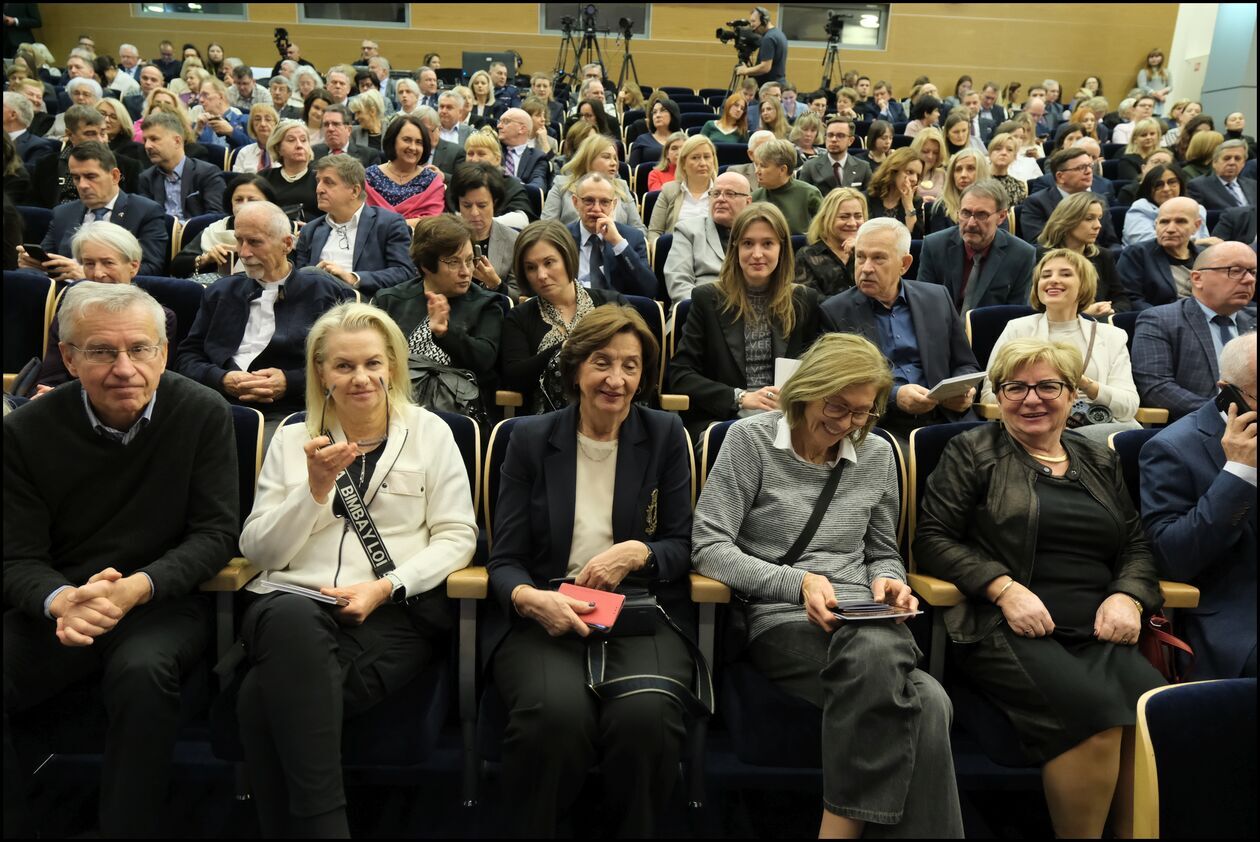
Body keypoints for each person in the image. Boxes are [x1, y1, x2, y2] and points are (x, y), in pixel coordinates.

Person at [692, 332, 964, 838]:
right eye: (837, 408)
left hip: (865, 615)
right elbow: (710, 547)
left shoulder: (878, 454)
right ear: (806, 390)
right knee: (922, 696)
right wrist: (800, 584)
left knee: (928, 703)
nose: (848, 424)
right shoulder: (750, 439)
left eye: (863, 412)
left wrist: (889, 584)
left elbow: (883, 552)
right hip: (784, 619)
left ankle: (837, 825)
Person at [4, 282, 238, 838]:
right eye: (102, 352)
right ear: (69, 357)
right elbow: (16, 555)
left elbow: (215, 534)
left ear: (163, 352)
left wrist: (136, 587)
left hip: (162, 601)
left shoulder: (203, 412)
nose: (124, 367)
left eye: (140, 349)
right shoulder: (26, 431)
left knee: (141, 672)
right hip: (65, 602)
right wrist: (61, 599)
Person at [233, 301, 475, 837]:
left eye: (372, 363)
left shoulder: (431, 432)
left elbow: (458, 536)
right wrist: (313, 490)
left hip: (391, 612)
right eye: (343, 366)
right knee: (291, 619)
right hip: (290, 602)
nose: (360, 377)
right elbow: (260, 550)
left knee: (257, 701)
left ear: (392, 364)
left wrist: (385, 587)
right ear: (321, 372)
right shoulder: (295, 435)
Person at [915, 336, 1166, 839]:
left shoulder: (1097, 457)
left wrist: (1129, 595)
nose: (1032, 399)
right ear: (998, 395)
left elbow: (1136, 544)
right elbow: (932, 539)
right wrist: (1001, 587)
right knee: (1094, 717)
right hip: (1006, 626)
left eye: (1049, 386)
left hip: (1099, 627)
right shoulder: (973, 450)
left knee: (1154, 713)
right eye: (1016, 387)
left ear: (1073, 394)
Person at [486, 302, 696, 837]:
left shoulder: (666, 434)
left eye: (631, 366)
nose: (617, 379)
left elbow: (682, 544)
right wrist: (529, 599)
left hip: (638, 611)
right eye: (603, 362)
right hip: (546, 609)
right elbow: (504, 559)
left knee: (646, 718)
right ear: (576, 367)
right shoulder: (529, 439)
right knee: (553, 719)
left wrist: (638, 554)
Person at [1140, 332, 1256, 680]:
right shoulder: (1172, 448)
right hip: (1233, 606)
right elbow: (1174, 558)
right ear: (1227, 392)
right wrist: (1238, 472)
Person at [176, 201, 353, 428]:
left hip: (291, 411)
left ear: (287, 244)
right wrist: (220, 378)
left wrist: (290, 382)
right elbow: (187, 357)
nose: (244, 253)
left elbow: (345, 363)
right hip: (216, 402)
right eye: (239, 240)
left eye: (255, 242)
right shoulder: (220, 292)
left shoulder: (323, 292)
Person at [669, 203, 822, 438]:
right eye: (748, 243)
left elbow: (818, 372)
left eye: (767, 244)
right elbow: (680, 376)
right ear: (735, 248)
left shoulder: (803, 300)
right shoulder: (708, 299)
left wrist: (794, 399)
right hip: (725, 419)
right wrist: (740, 397)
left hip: (787, 418)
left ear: (782, 249)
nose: (757, 254)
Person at [821, 217, 979, 443]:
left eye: (878, 259)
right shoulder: (835, 311)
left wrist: (963, 391)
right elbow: (841, 384)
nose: (866, 268)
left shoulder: (936, 298)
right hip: (882, 427)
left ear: (904, 264)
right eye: (861, 257)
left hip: (947, 417)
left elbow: (966, 363)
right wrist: (894, 396)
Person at [982, 249, 1141, 441]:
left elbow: (1129, 406)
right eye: (1045, 275)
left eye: (1065, 274)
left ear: (1083, 285)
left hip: (1097, 429)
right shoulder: (1017, 329)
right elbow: (990, 396)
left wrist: (1086, 384)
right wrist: (1044, 398)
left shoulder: (1112, 336)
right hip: (1034, 429)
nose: (1053, 280)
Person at [371, 214, 503, 420]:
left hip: (458, 411)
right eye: (453, 262)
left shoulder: (486, 304)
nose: (465, 272)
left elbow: (484, 362)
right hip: (393, 406)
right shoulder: (390, 300)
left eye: (469, 261)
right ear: (426, 265)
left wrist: (446, 334)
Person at [498, 220, 627, 413]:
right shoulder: (519, 317)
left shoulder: (612, 304)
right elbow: (515, 378)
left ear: (567, 258)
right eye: (531, 267)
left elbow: (636, 362)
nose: (541, 275)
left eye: (549, 263)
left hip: (612, 414)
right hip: (545, 423)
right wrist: (564, 349)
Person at [34, 223, 178, 390]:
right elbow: (51, 376)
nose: (98, 273)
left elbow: (154, 381)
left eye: (108, 263)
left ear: (134, 266)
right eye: (89, 264)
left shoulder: (158, 317)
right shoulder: (71, 311)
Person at [1131, 241, 1257, 419]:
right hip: (1198, 428)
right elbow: (1156, 388)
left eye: (1252, 272)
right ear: (1197, 278)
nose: (1249, 279)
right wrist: (1223, 412)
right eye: (1235, 271)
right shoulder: (1160, 320)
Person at [19, 142, 167, 281]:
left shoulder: (145, 211)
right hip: (65, 291)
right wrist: (33, 262)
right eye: (76, 178)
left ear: (115, 176)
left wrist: (86, 273)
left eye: (91, 177)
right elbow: (48, 259)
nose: (82, 185)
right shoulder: (63, 213)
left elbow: (151, 269)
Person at [292, 153, 413, 296]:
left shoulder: (388, 223)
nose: (319, 189)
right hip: (317, 303)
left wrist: (353, 277)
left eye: (328, 182)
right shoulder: (310, 230)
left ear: (354, 191)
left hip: (364, 307)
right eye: (318, 181)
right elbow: (299, 280)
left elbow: (404, 272)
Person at [1035, 191, 1131, 315]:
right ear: (1068, 221)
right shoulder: (1041, 257)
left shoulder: (1102, 256)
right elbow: (1036, 304)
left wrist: (1110, 310)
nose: (1098, 226)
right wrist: (1083, 312)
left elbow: (1121, 299)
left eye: (1099, 218)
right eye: (1089, 219)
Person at [561, 172, 655, 297]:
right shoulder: (561, 237)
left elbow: (648, 290)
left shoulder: (631, 238)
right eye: (589, 201)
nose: (596, 209)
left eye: (604, 202)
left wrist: (618, 243)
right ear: (575, 202)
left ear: (613, 205)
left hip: (615, 312)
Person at [664, 172, 753, 303]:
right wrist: (708, 311)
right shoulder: (688, 230)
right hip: (697, 311)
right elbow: (679, 283)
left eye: (730, 194)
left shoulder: (758, 233)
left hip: (749, 310)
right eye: (715, 194)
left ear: (748, 202)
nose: (720, 199)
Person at [1117, 196, 1214, 310]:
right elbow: (1131, 299)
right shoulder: (1137, 254)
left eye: (1180, 222)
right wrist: (1163, 318)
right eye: (1164, 222)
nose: (1170, 229)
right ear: (1156, 224)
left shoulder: (1206, 257)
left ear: (1196, 226)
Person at [32, 105, 139, 209]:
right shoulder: (46, 165)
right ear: (70, 134)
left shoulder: (128, 167)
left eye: (103, 133)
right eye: (90, 134)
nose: (100, 140)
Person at [172, 174, 275, 279]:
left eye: (252, 200)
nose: (245, 205)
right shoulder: (216, 229)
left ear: (269, 203)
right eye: (238, 200)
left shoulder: (279, 228)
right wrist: (206, 259)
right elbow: (177, 267)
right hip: (217, 289)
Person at [449, 162, 522, 299]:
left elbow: (520, 298)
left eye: (482, 205)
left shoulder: (514, 240)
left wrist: (496, 284)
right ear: (458, 203)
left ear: (494, 202)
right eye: (467, 205)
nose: (474, 213)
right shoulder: (444, 238)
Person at [543, 134, 644, 232]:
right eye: (606, 157)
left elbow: (639, 229)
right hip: (572, 246)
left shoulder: (622, 186)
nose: (614, 163)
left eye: (615, 158)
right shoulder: (561, 185)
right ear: (588, 159)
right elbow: (546, 227)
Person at [136, 110, 225, 222]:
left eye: (154, 139)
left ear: (177, 141)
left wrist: (182, 229)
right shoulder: (146, 178)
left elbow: (216, 217)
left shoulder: (207, 172)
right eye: (145, 140)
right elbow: (146, 220)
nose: (147, 146)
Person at [1021, 147, 1119, 246]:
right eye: (1081, 168)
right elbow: (1039, 245)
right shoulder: (1037, 203)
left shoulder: (1099, 200)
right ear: (1060, 177)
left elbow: (1111, 242)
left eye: (1090, 166)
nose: (1089, 171)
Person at [363, 114, 445, 226]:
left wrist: (387, 226)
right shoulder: (370, 177)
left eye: (418, 142)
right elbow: (361, 218)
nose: (413, 147)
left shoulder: (431, 181)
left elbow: (431, 223)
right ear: (393, 140)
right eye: (407, 140)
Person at [795, 187, 867, 298]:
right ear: (826, 219)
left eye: (858, 216)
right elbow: (811, 304)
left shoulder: (869, 254)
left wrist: (862, 252)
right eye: (844, 217)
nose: (853, 223)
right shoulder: (807, 256)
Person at [648, 134, 717, 244]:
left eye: (707, 157)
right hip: (675, 254)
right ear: (683, 163)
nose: (703, 163)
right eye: (695, 157)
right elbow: (655, 231)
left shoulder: (724, 191)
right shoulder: (669, 190)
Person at [1123, 163, 1213, 245]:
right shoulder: (1140, 207)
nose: (1166, 189)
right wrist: (1197, 242)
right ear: (1149, 188)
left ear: (1180, 185)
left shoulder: (1196, 208)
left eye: (1172, 182)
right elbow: (1144, 243)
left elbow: (1205, 241)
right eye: (1159, 185)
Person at [461, 130, 535, 227]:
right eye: (470, 154)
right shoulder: (459, 183)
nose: (474, 159)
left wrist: (481, 223)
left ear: (497, 159)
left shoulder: (511, 185)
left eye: (481, 154)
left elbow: (521, 219)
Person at [750, 138, 822, 235]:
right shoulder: (753, 198)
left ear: (782, 169)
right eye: (757, 165)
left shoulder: (809, 194)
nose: (757, 171)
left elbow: (827, 229)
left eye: (763, 166)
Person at [259, 119, 320, 222]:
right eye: (291, 140)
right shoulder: (264, 178)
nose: (299, 145)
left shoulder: (320, 178)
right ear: (278, 148)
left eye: (303, 140)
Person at [797, 116, 872, 193]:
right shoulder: (810, 167)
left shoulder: (863, 167)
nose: (833, 139)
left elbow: (869, 200)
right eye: (830, 135)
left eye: (840, 136)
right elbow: (803, 199)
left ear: (850, 141)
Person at [926, 148, 991, 234]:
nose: (963, 175)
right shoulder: (940, 208)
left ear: (982, 172)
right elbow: (939, 245)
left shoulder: (995, 206)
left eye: (970, 168)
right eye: (958, 169)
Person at [865, 147, 925, 238]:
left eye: (918, 175)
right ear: (893, 171)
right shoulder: (867, 198)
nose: (914, 179)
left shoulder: (916, 202)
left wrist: (908, 206)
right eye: (909, 172)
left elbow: (915, 240)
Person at [1186, 139, 1256, 211]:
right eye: (1227, 158)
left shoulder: (1252, 185)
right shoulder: (1198, 186)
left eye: (1237, 159)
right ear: (1214, 162)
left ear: (1243, 164)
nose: (1232, 163)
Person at [496, 107, 550, 192]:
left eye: (505, 122)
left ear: (522, 129)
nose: (499, 126)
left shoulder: (537, 157)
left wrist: (513, 186)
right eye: (499, 122)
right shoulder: (493, 150)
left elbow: (538, 187)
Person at [310, 103, 381, 168]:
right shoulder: (314, 152)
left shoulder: (369, 156)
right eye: (326, 124)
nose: (330, 129)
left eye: (336, 124)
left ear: (349, 130)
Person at [735, 6, 787, 86]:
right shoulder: (778, 34)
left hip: (769, 88)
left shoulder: (768, 38)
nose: (751, 25)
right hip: (777, 84)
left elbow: (765, 67)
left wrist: (745, 70)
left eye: (753, 21)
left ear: (763, 21)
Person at [229, 103, 278, 174]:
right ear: (251, 125)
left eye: (268, 119)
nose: (263, 124)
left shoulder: (284, 152)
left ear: (276, 124)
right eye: (257, 119)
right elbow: (237, 181)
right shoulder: (244, 153)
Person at [630, 98, 681, 162]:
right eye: (654, 112)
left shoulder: (682, 141)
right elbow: (633, 170)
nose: (657, 115)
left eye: (663, 110)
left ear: (673, 114)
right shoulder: (642, 140)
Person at [1116, 117, 1164, 182]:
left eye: (1152, 134)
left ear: (1158, 136)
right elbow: (1134, 183)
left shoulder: (1165, 155)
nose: (1148, 137)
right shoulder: (1127, 160)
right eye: (1143, 135)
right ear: (1135, 139)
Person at [908, 127, 946, 205]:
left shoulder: (943, 174)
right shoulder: (906, 173)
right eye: (925, 151)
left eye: (935, 153)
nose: (930, 156)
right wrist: (918, 202)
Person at [1136, 48, 1173, 116]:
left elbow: (1170, 87)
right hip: (1147, 100)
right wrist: (1157, 94)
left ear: (1161, 58)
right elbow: (1142, 86)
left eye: (1156, 56)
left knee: (1157, 118)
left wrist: (1161, 92)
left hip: (1160, 102)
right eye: (1151, 57)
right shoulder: (1144, 72)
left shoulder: (1167, 72)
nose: (1154, 59)